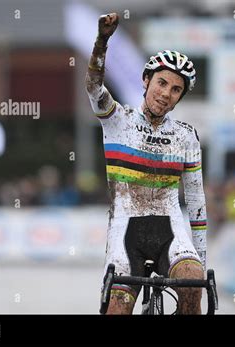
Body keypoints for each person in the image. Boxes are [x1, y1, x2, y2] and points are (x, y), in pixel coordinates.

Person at [85, 13, 207, 314]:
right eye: (161, 83)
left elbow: (196, 203)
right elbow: (93, 87)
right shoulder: (117, 121)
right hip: (125, 232)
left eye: (175, 89)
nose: (165, 94)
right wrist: (102, 41)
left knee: (192, 284)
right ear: (146, 80)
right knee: (117, 309)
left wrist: (201, 263)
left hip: (171, 231)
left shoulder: (186, 136)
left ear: (180, 97)